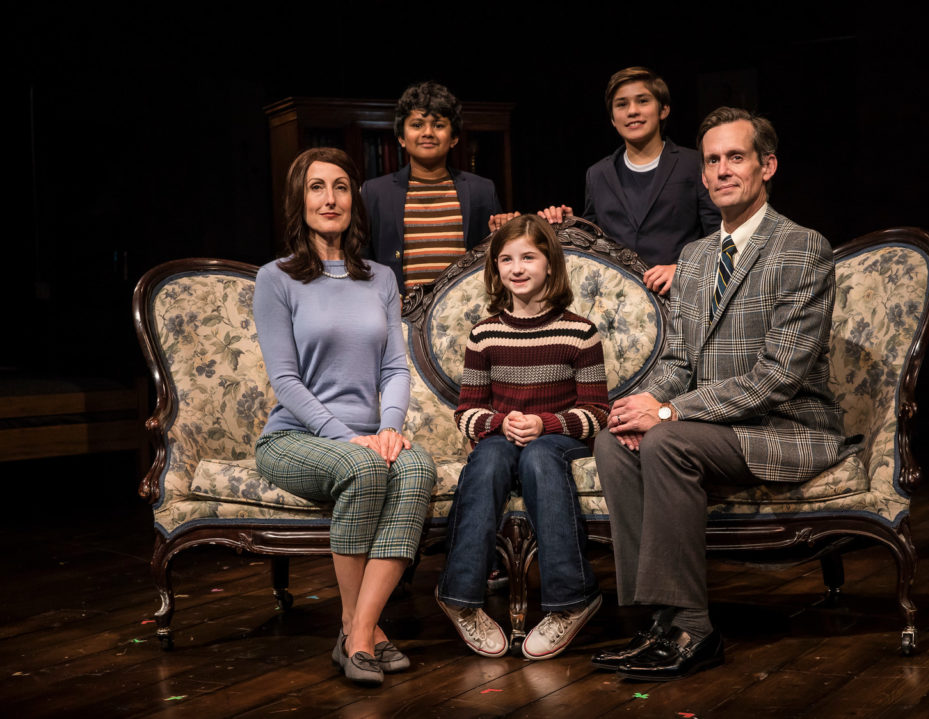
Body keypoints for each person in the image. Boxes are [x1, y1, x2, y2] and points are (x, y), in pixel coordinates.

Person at [591, 107, 860, 681]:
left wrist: (667, 412)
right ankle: (657, 620)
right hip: (711, 428)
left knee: (665, 441)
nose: (720, 171)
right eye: (712, 160)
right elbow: (679, 361)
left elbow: (777, 376)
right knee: (617, 441)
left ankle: (695, 629)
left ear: (767, 166)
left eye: (735, 157)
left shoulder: (800, 248)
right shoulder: (694, 257)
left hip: (785, 427)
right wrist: (640, 406)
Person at [253, 147, 436, 687]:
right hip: (296, 436)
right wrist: (348, 437)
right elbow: (285, 381)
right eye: (316, 187)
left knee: (417, 468)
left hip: (369, 438)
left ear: (355, 199)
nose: (330, 198)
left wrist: (389, 428)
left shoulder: (380, 278)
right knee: (365, 469)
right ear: (299, 200)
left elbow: (395, 368)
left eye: (340, 186)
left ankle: (358, 631)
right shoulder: (277, 278)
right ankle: (361, 634)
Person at [435, 214, 609, 660]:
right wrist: (499, 423)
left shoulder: (580, 332)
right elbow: (467, 410)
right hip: (503, 433)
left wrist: (545, 424)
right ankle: (459, 597)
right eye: (506, 259)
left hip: (557, 442)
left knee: (537, 458)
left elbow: (597, 412)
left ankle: (572, 600)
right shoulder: (484, 333)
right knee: (490, 460)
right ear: (495, 269)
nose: (517, 267)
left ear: (550, 263)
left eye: (529, 257)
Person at [539, 67, 719, 295]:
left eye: (642, 101)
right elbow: (593, 240)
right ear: (613, 119)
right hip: (616, 303)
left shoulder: (692, 164)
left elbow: (719, 236)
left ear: (663, 110)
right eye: (622, 105)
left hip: (679, 298)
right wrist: (568, 223)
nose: (632, 111)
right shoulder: (598, 174)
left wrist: (683, 270)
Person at [363, 81, 515, 292]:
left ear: (454, 138)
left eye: (438, 125)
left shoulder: (481, 190)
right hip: (399, 315)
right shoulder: (375, 192)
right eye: (417, 125)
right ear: (401, 137)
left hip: (464, 312)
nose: (427, 133)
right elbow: (362, 260)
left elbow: (499, 256)